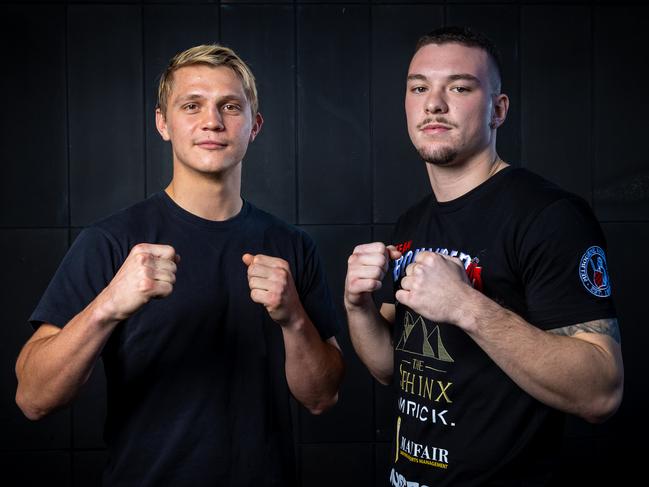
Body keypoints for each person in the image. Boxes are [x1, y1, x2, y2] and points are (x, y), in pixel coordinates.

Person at [16, 44, 344, 486]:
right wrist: (109, 305)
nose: (213, 121)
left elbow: (322, 398)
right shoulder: (109, 242)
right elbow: (33, 398)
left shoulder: (292, 246)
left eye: (230, 106)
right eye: (192, 105)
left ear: (255, 126)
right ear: (162, 123)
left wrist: (294, 319)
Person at [344, 26, 623, 486]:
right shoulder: (413, 222)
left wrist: (466, 307)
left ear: (498, 109)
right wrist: (357, 307)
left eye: (458, 86)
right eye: (419, 88)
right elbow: (389, 369)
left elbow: (602, 391)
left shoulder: (550, 217)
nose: (434, 103)